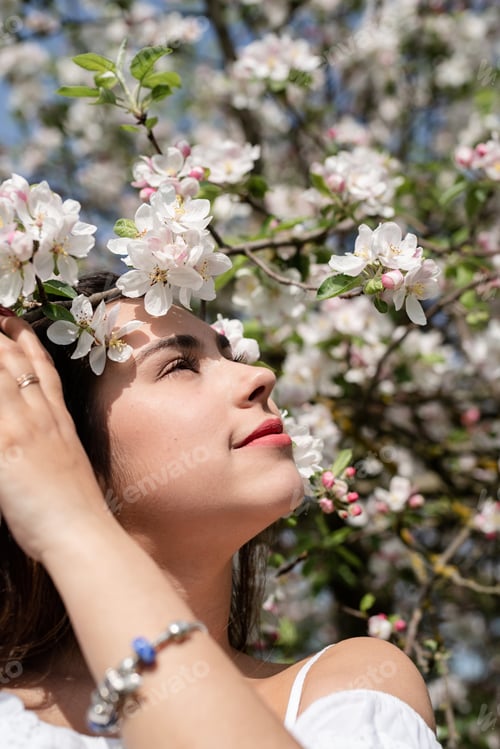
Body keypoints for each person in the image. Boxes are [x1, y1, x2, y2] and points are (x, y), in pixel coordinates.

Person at [0, 272, 442, 749]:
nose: (260, 376)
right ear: (66, 446)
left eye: (228, 354)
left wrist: (75, 528)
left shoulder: (347, 688)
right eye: (179, 366)